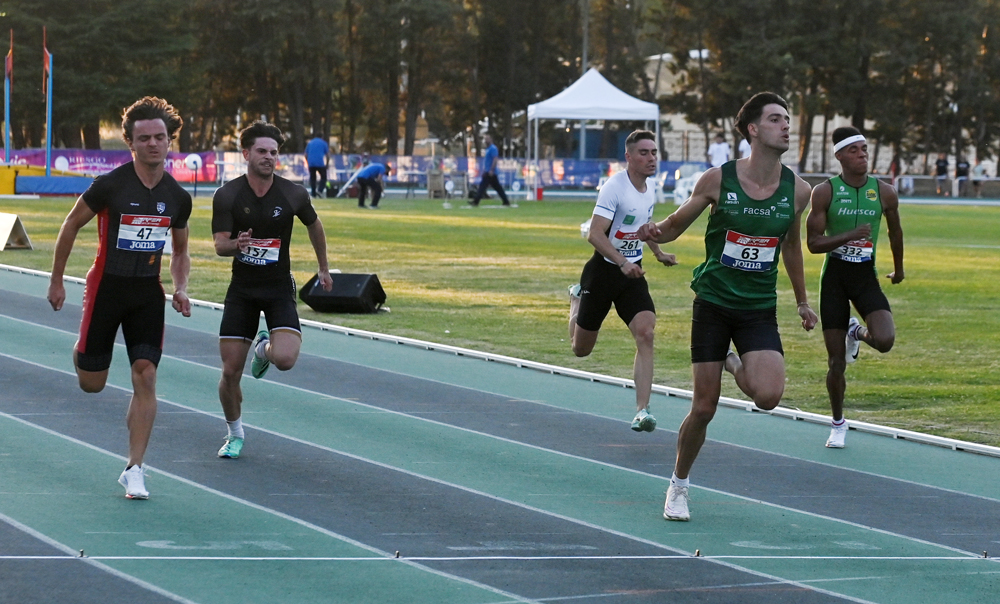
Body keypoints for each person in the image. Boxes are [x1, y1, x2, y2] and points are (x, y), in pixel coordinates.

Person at [637, 92, 817, 522]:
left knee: (769, 396)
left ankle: (734, 364)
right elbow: (676, 225)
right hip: (715, 303)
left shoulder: (799, 191)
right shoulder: (718, 180)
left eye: (787, 120)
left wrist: (803, 302)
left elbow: (791, 245)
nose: (786, 126)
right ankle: (678, 485)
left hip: (758, 308)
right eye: (776, 120)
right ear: (753, 130)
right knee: (704, 407)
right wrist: (653, 232)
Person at [47, 97, 192, 499]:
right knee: (92, 383)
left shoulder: (177, 197)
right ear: (130, 143)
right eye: (144, 138)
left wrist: (180, 288)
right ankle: (83, 351)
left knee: (145, 373)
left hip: (147, 291)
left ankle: (135, 468)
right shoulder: (110, 185)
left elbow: (180, 251)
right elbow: (70, 225)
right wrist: (57, 280)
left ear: (169, 142)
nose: (153, 144)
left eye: (160, 138)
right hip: (106, 287)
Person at [211, 121, 334, 459]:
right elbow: (219, 246)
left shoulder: (293, 193)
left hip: (278, 287)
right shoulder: (228, 195)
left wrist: (323, 267)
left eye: (274, 153)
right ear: (246, 153)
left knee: (285, 359)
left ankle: (263, 349)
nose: (268, 157)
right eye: (262, 151)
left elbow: (315, 225)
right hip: (242, 291)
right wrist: (238, 243)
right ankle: (234, 433)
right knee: (230, 372)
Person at [568, 130, 678, 434]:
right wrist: (623, 262)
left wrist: (657, 252)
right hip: (603, 273)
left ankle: (642, 411)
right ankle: (576, 299)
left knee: (646, 332)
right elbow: (594, 234)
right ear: (628, 157)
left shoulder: (651, 187)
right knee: (580, 350)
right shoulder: (613, 188)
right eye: (643, 152)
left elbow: (644, 227)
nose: (651, 158)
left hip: (633, 274)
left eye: (654, 152)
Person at [806, 127, 904, 449]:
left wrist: (899, 269)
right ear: (840, 156)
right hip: (834, 278)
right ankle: (837, 423)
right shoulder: (825, 192)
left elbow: (895, 232)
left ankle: (856, 333)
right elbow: (813, 243)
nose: (863, 154)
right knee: (836, 363)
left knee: (885, 339)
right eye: (855, 150)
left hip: (865, 277)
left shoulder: (885, 192)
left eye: (865, 149)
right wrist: (847, 235)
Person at [470, 134, 510, 207]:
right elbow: (487, 161)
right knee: (497, 187)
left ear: (491, 140)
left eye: (487, 139)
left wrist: (492, 170)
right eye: (485, 139)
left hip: (491, 172)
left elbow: (495, 159)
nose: (486, 141)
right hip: (488, 171)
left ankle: (476, 201)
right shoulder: (487, 149)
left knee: (482, 187)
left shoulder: (493, 148)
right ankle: (506, 201)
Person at [305, 133, 330, 198]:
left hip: (311, 163)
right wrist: (327, 164)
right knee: (323, 177)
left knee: (313, 178)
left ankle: (313, 193)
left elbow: (305, 154)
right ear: (322, 137)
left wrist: (308, 162)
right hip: (320, 163)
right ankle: (320, 190)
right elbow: (328, 155)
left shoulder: (310, 143)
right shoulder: (324, 143)